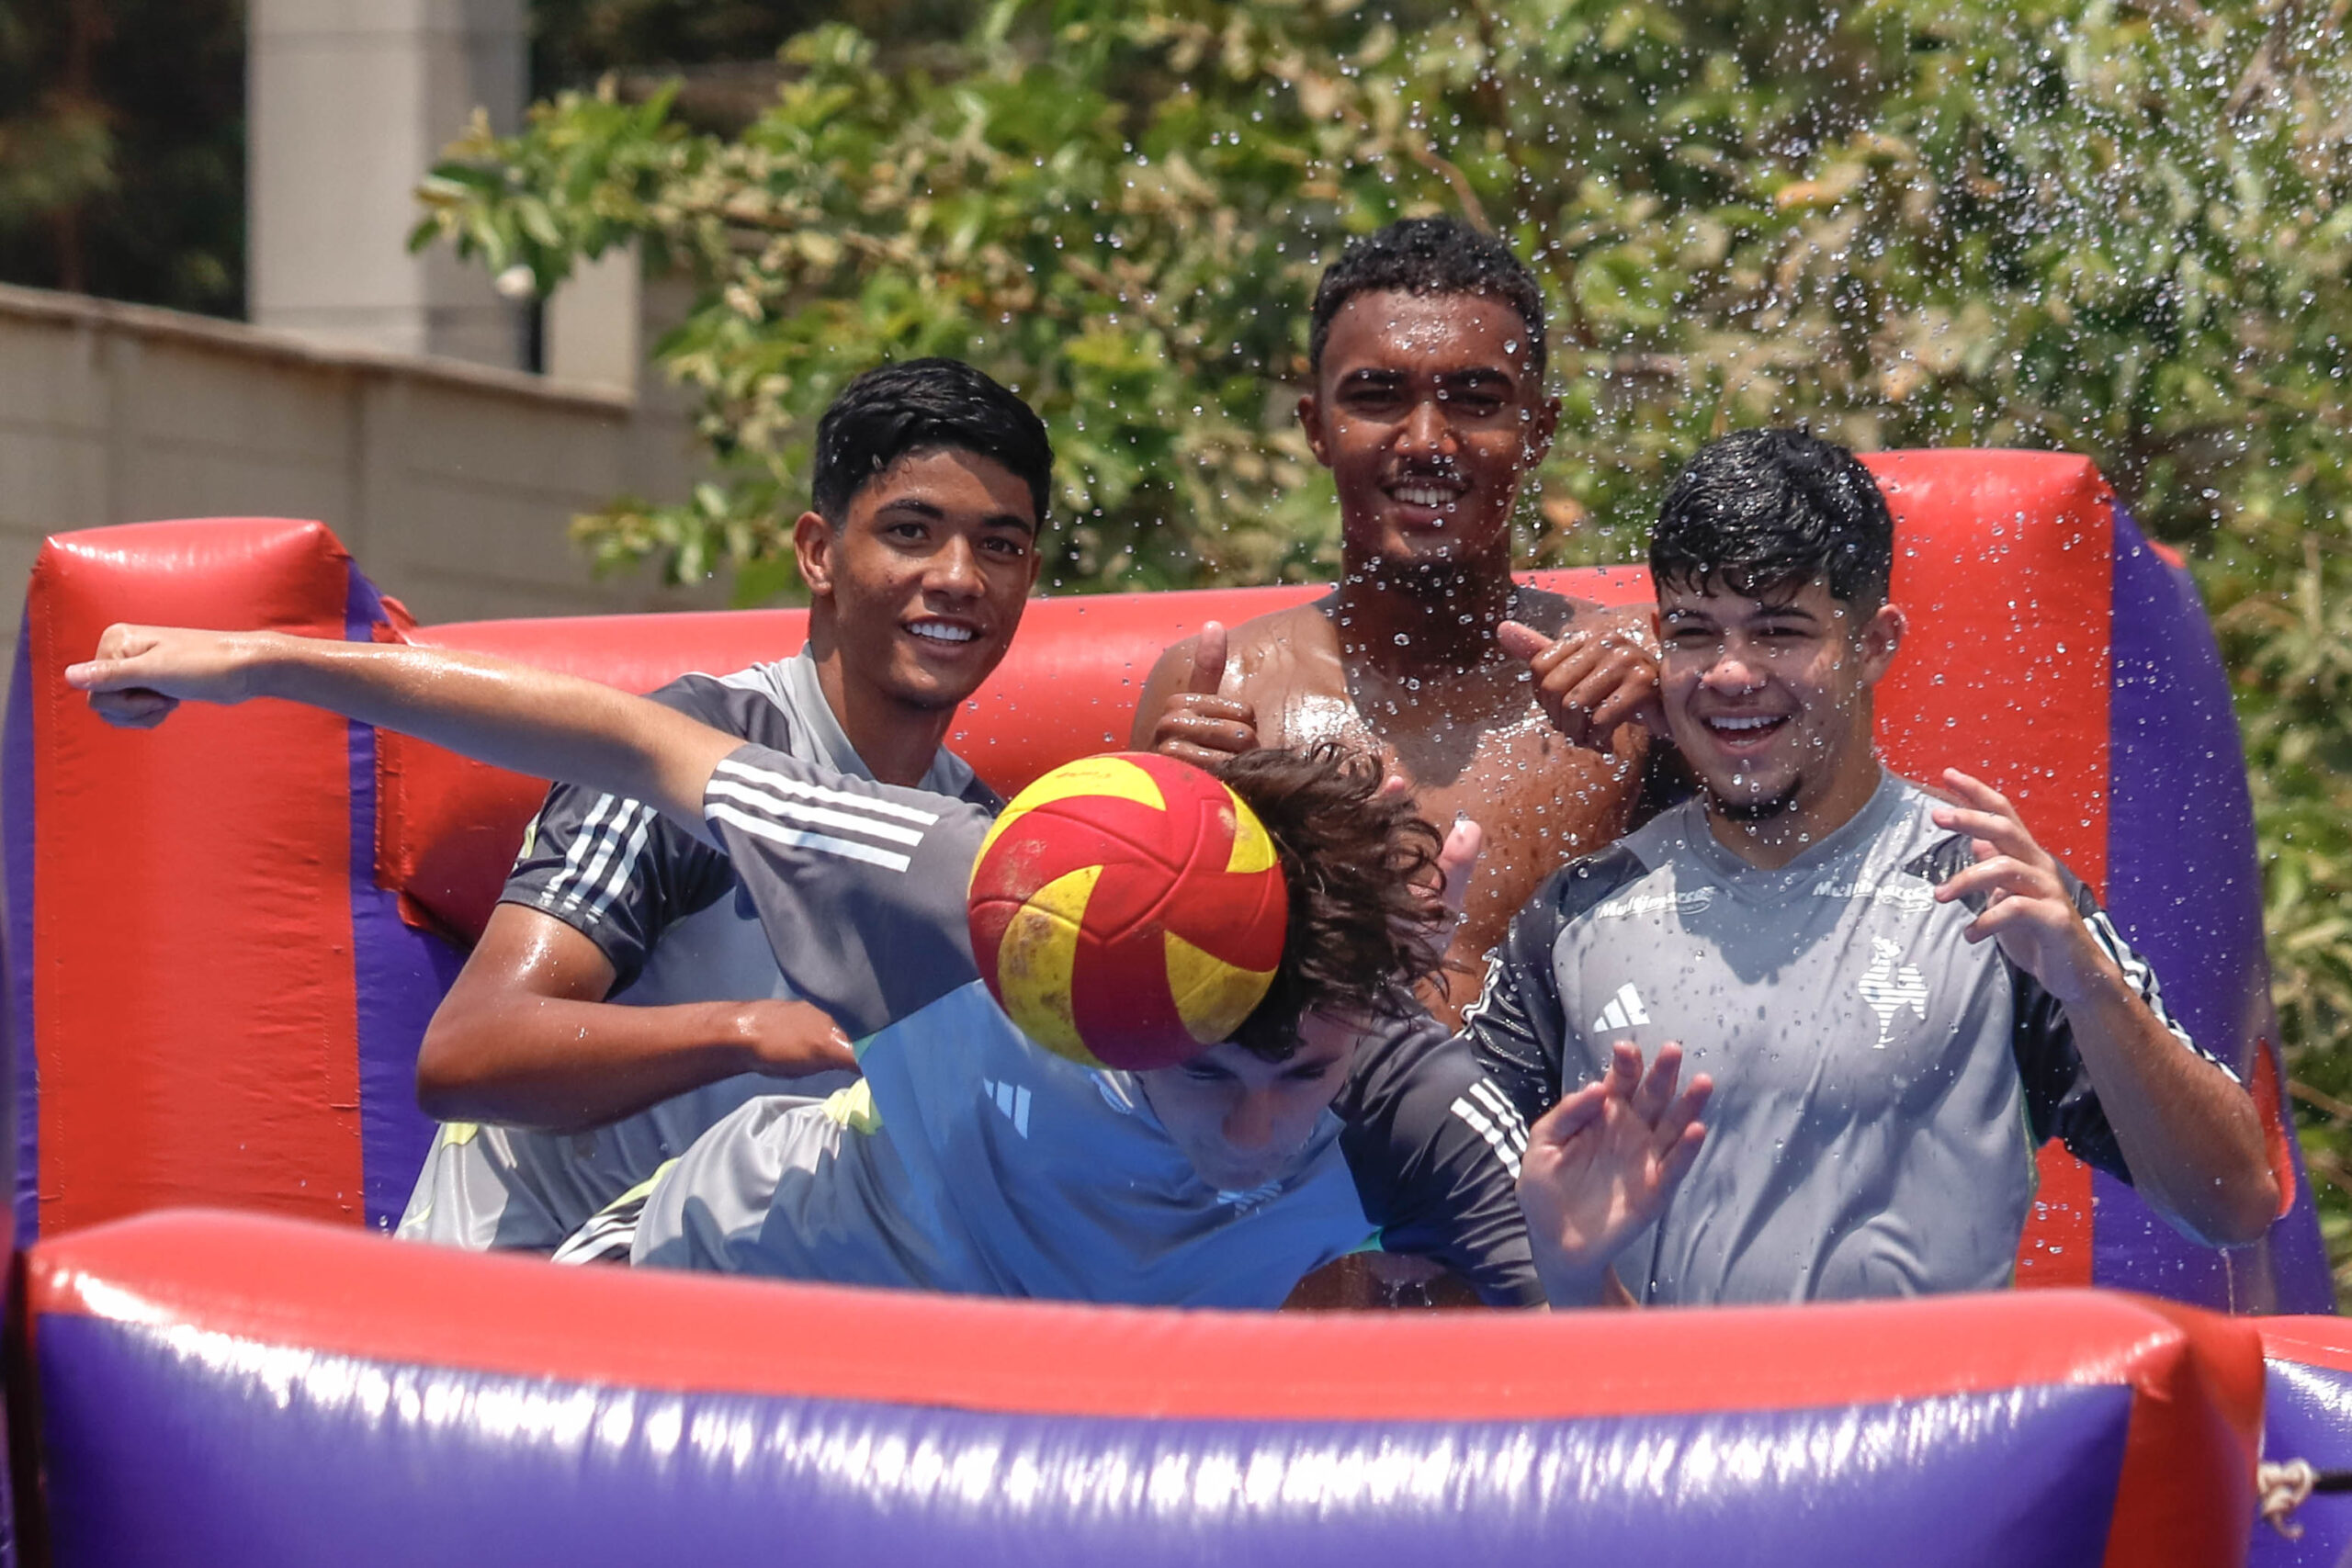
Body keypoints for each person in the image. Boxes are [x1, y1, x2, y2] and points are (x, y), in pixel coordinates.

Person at [69, 628, 1706, 1307]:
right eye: (1217, 1071)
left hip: (1016, 1396)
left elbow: (1600, 1436)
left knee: (1372, 1327)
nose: (1266, 1120)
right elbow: (638, 739)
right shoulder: (1004, 904)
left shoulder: (1403, 1093)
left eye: (1303, 1075)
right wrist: (266, 667)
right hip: (719, 1291)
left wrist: (1572, 1267)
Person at [1475, 427, 2280, 1308]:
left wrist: (2090, 987)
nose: (1732, 674)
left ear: (1875, 642)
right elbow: (1404, 1207)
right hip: (1659, 1442)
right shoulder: (1581, 916)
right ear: (1661, 640)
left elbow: (2235, 1202)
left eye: (1780, 632)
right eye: (1697, 636)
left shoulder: (1994, 899)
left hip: (1927, 1444)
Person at [399, 356, 1050, 1252]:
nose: (957, 576)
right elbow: (468, 1051)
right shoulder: (689, 755)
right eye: (910, 531)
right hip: (505, 1309)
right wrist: (744, 1033)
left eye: (1000, 546)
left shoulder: (975, 840)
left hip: (726, 1328)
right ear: (819, 553)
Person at [1131, 217, 1670, 1024]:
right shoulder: (1221, 692)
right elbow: (1138, 1008)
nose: (1426, 441)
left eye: (1476, 400)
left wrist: (1699, 707)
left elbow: (1799, 879)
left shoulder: (1635, 677)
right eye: (1378, 398)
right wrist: (1161, 854)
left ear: (1539, 431)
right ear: (1317, 428)